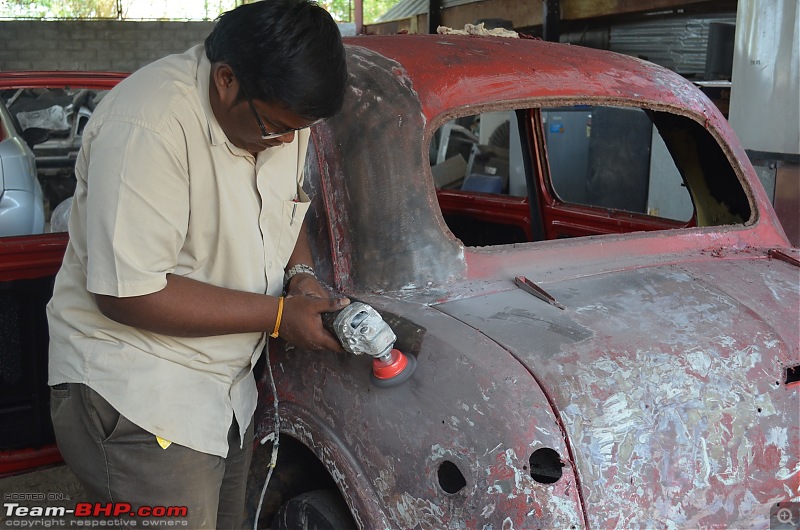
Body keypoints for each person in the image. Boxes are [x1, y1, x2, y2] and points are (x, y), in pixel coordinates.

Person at [46, 1, 349, 528]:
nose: (283, 141)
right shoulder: (147, 126)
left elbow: (287, 204)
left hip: (223, 392)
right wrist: (279, 317)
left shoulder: (277, 116)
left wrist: (300, 278)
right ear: (226, 80)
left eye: (295, 131)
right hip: (139, 391)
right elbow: (128, 293)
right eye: (275, 126)